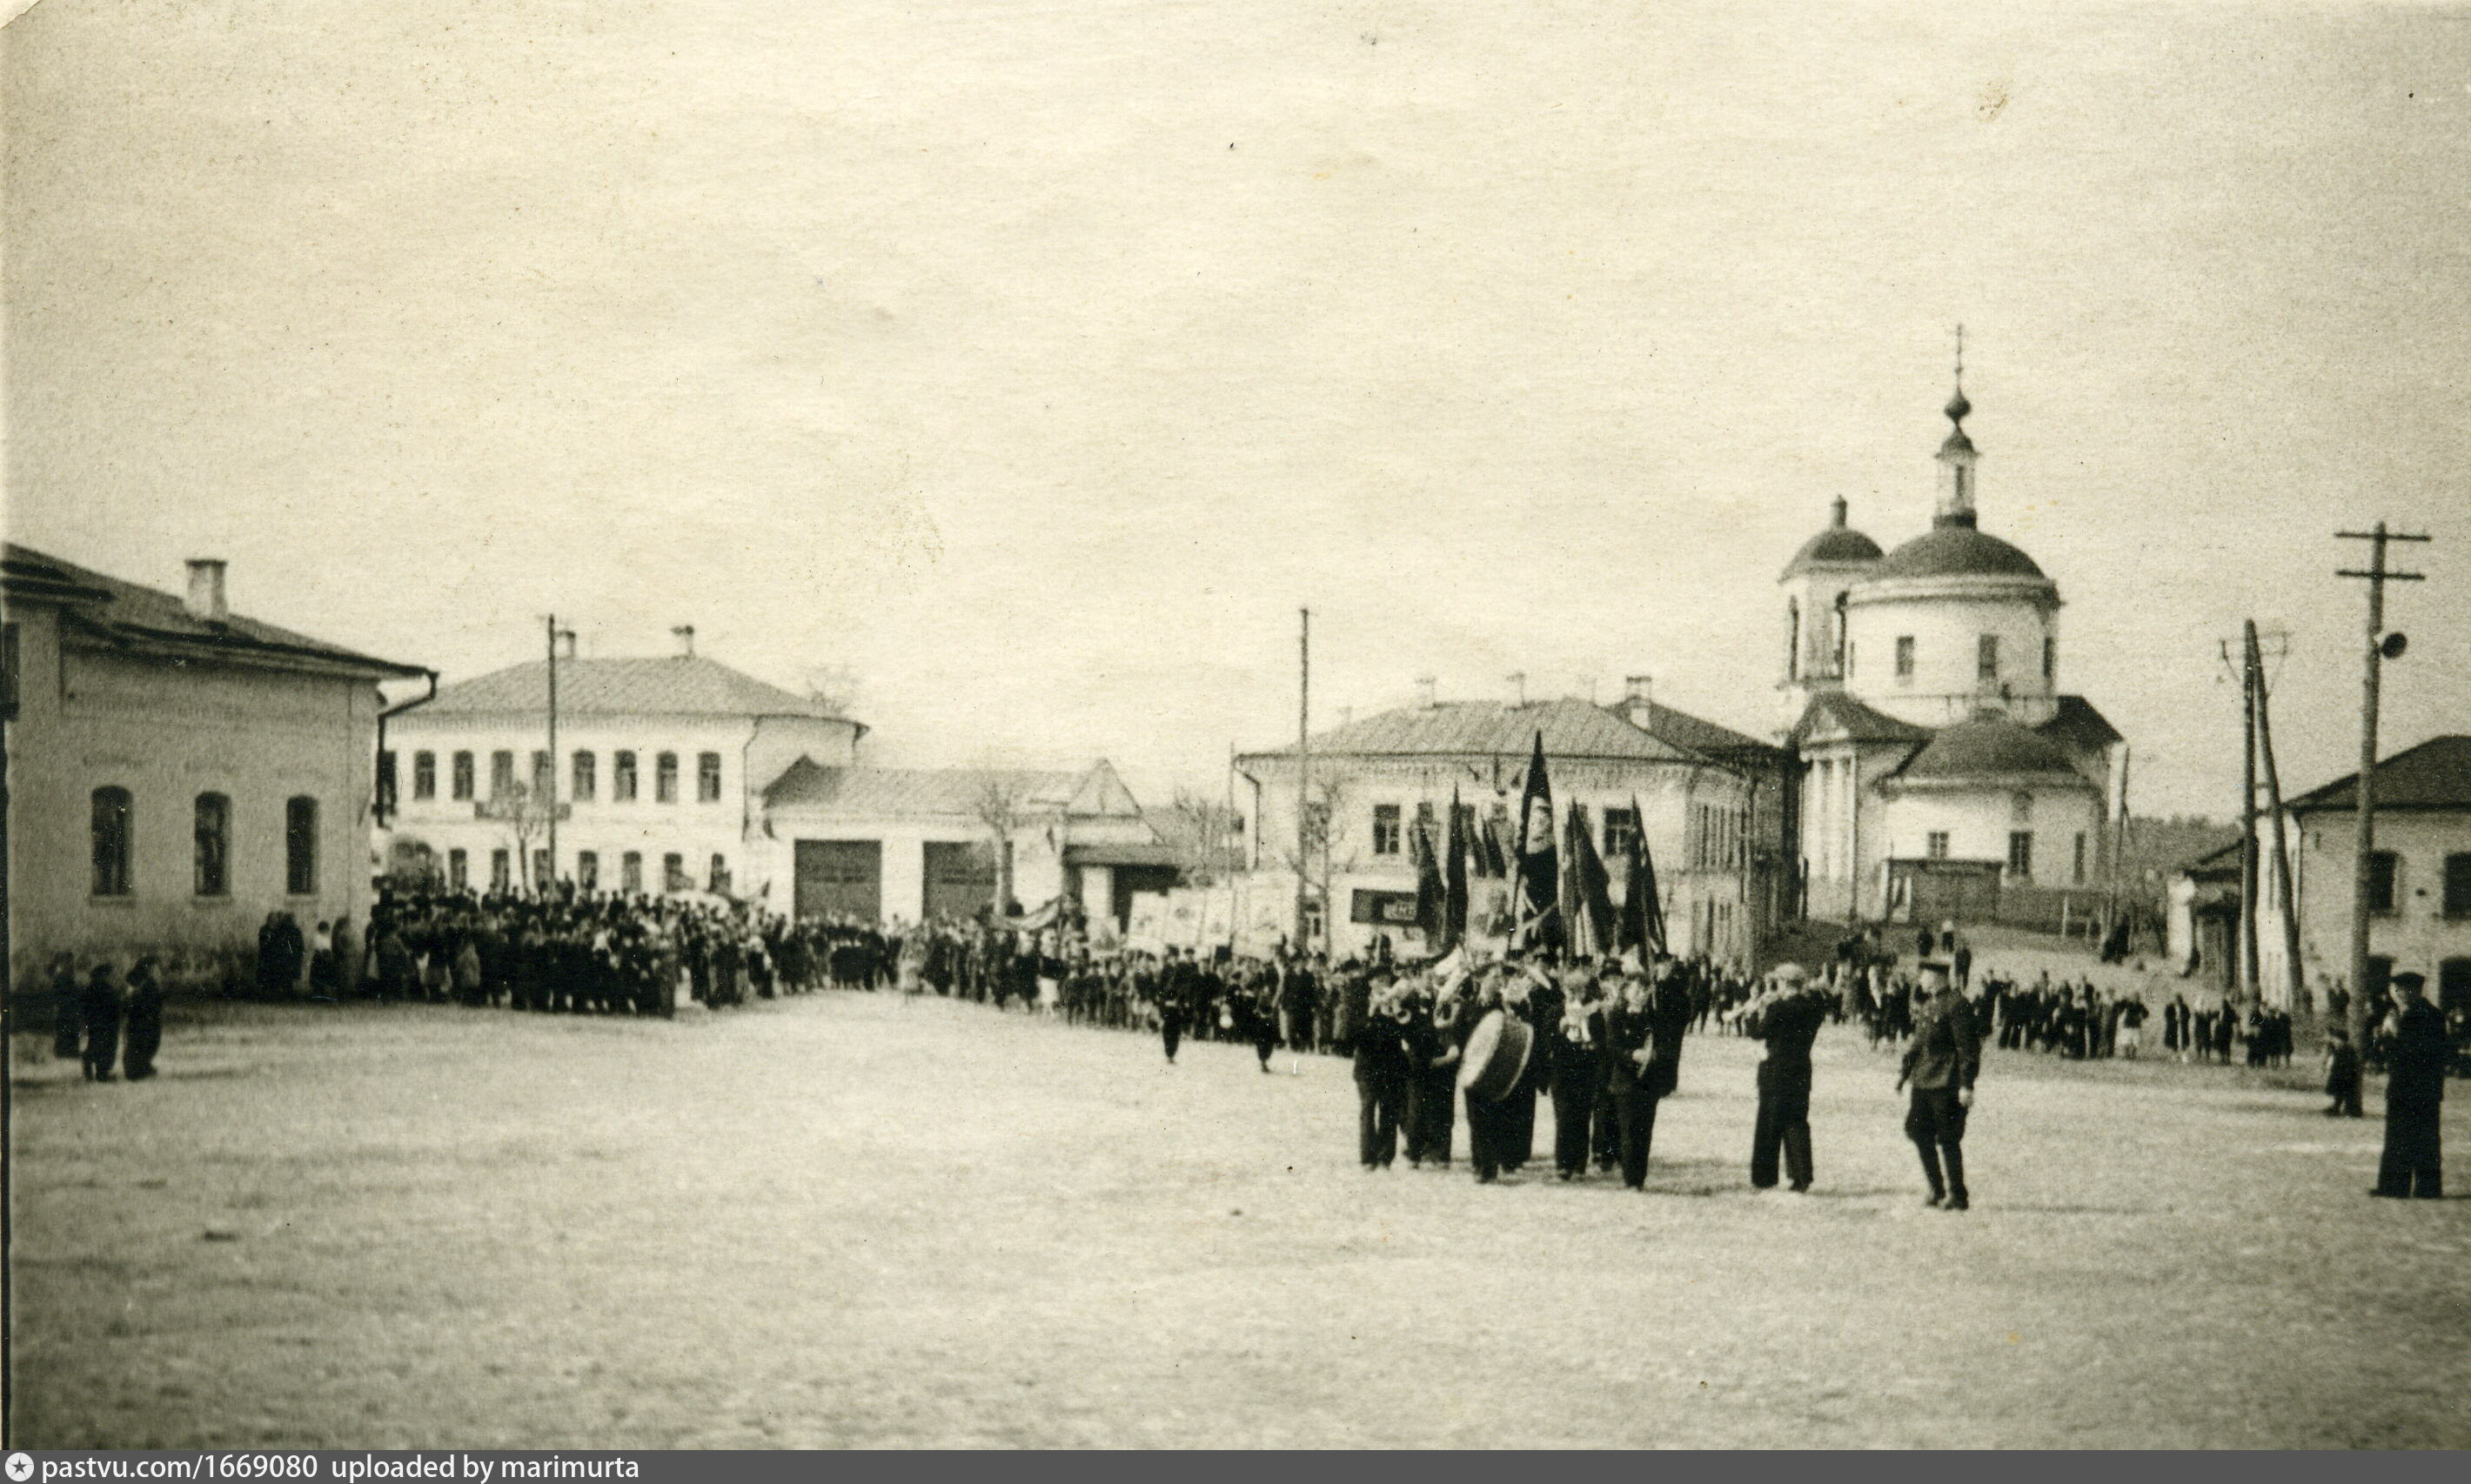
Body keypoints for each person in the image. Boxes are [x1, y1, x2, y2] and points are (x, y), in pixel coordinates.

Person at [1898, 959, 1979, 1211]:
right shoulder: (1929, 1004)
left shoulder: (1957, 1004)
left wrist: (1967, 1084)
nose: (1920, 979)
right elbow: (1919, 1043)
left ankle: (1958, 1194)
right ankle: (1936, 1187)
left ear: (1937, 977)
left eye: (1923, 975)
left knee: (1948, 1138)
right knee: (1917, 1131)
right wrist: (1904, 1074)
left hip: (1947, 1082)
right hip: (1923, 1081)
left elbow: (1968, 1048)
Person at [1744, 964, 1826, 1193]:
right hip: (1800, 1072)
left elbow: (1757, 1033)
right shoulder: (1813, 1009)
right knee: (1796, 1123)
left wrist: (1751, 1013)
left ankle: (1764, 1177)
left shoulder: (1779, 1008)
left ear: (1783, 983)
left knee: (1769, 1126)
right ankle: (1802, 1176)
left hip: (1775, 1074)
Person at [2372, 971, 2446, 1199]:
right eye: (2398, 990)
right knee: (2399, 1136)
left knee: (2422, 1137)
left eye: (2404, 990)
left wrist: (2394, 1034)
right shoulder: (2403, 1015)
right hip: (2405, 1086)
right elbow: (2382, 1053)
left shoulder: (2429, 1016)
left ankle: (2424, 1188)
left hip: (2419, 1086)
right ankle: (2397, 1186)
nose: (2400, 994)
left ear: (2416, 991)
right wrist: (2382, 1037)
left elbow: (2417, 1052)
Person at [1350, 987, 1411, 1171]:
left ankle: (1385, 1156)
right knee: (1368, 1110)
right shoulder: (1361, 1006)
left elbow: (1409, 1034)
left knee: (1389, 1111)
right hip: (1367, 1070)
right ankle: (1368, 1158)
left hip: (1390, 1070)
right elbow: (1355, 1037)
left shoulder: (1397, 1013)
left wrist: (1394, 1012)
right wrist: (1370, 1013)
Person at [122, 956, 166, 1080]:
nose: (156, 970)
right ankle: (136, 1069)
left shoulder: (147, 981)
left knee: (147, 1043)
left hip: (146, 1017)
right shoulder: (142, 981)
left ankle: (141, 1066)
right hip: (143, 1017)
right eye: (153, 968)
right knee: (140, 1043)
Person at [79, 961, 124, 1082]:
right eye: (109, 975)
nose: (111, 977)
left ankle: (97, 1070)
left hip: (96, 1023)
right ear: (103, 975)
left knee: (98, 1046)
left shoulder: (91, 988)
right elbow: (114, 1004)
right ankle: (101, 1073)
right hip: (107, 1023)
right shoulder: (105, 989)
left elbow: (84, 1007)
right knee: (105, 1048)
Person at [2323, 1025, 2363, 1119]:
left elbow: (2349, 1064)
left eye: (2337, 1040)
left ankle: (2350, 1111)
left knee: (2346, 1094)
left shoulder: (2347, 1050)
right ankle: (2336, 1108)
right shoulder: (2339, 1049)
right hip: (2339, 1074)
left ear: (2342, 1040)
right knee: (2339, 1093)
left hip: (2345, 1075)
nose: (2335, 1042)